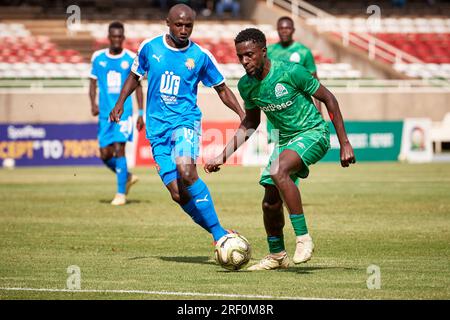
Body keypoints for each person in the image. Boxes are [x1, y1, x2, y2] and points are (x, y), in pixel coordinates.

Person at [205, 28, 355, 270]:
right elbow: (251, 122)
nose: (244, 61)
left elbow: (329, 98)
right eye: (240, 56)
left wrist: (344, 142)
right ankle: (277, 255)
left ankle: (304, 239)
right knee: (269, 202)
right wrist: (222, 156)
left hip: (313, 133)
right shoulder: (246, 86)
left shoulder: (291, 71)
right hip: (285, 141)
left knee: (278, 170)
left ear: (263, 52)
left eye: (250, 55)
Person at [110, 4, 245, 243]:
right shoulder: (149, 48)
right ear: (168, 23)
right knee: (178, 194)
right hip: (156, 129)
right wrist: (120, 102)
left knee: (186, 171)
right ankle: (219, 233)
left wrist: (241, 114)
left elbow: (221, 89)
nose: (184, 30)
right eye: (179, 25)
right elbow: (134, 76)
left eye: (188, 26)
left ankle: (219, 235)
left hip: (185, 122)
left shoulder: (200, 56)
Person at [89, 21, 144, 206]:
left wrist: (141, 112)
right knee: (105, 154)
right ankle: (126, 176)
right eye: (114, 36)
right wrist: (92, 104)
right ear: (109, 37)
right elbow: (92, 83)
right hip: (105, 114)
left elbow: (137, 86)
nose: (117, 40)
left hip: (124, 113)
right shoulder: (98, 58)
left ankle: (120, 194)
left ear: (123, 38)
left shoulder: (130, 58)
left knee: (120, 150)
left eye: (120, 37)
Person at [267, 16, 322, 144]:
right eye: (281, 28)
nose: (284, 31)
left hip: (299, 113)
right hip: (276, 111)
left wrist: (319, 113)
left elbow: (315, 83)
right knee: (276, 152)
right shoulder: (269, 51)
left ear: (293, 30)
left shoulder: (304, 52)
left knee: (297, 151)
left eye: (287, 28)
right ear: (277, 30)